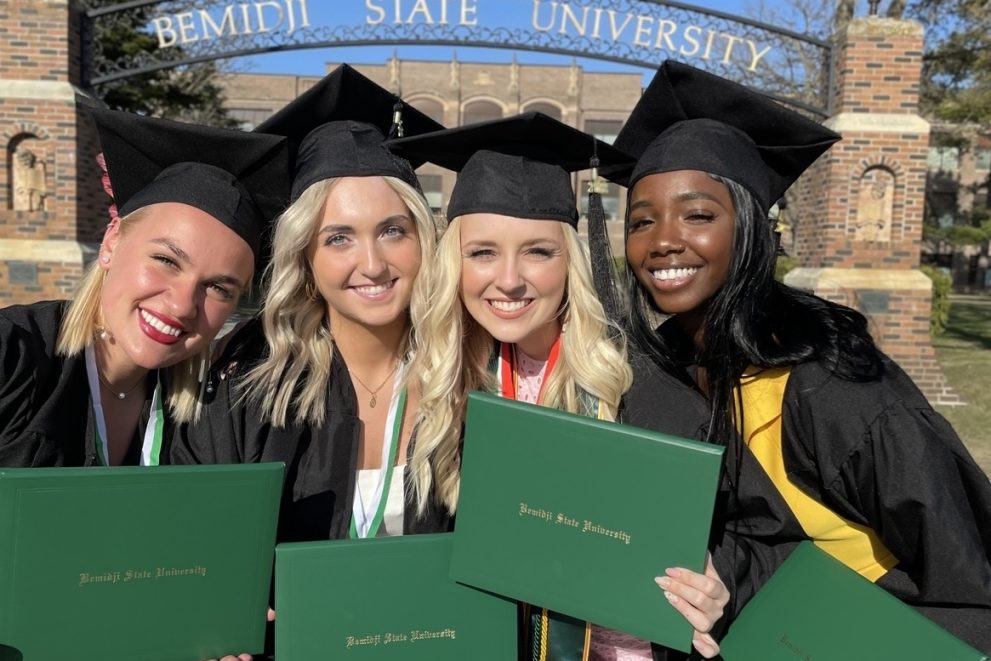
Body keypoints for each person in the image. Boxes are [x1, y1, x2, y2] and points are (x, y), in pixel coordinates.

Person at [611, 59, 991, 652]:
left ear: (753, 229)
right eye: (642, 221)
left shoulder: (839, 390)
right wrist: (721, 582)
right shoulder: (660, 372)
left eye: (699, 215)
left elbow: (965, 570)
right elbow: (762, 538)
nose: (663, 240)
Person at [388, 112, 728, 661]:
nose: (509, 279)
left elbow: (716, 545)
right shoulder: (441, 384)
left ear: (571, 259)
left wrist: (713, 586)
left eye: (538, 251)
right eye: (482, 252)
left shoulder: (643, 386)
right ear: (454, 263)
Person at [171, 63, 447, 544]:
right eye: (339, 238)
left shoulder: (467, 376)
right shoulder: (246, 390)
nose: (373, 263)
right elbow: (197, 542)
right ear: (306, 258)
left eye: (392, 231)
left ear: (423, 238)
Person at [0, 107, 288, 469]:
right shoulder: (13, 355)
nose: (183, 305)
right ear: (111, 241)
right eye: (167, 261)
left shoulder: (210, 418)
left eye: (218, 287)